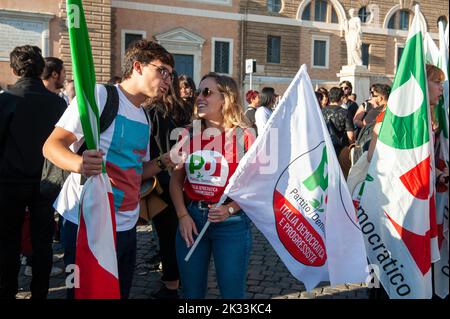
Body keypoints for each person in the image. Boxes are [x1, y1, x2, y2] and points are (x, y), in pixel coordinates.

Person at [42, 39, 176, 299]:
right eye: (162, 71)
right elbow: (51, 146)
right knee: (82, 294)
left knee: (117, 294)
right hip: (86, 222)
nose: (168, 80)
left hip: (126, 226)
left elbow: (136, 172)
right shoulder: (101, 96)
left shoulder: (144, 116)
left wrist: (165, 160)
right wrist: (80, 164)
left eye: (171, 74)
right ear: (137, 66)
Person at [170, 72, 255, 299]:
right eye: (199, 91)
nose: (199, 97)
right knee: (191, 294)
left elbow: (256, 187)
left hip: (232, 224)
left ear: (226, 99)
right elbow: (176, 182)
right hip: (193, 219)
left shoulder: (245, 136)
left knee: (232, 294)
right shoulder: (188, 134)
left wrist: (230, 209)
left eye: (207, 92)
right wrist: (182, 216)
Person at [0, 45, 67, 299]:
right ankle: (40, 293)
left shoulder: (5, 99)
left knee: (7, 242)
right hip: (45, 182)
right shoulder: (57, 103)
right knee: (42, 243)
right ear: (41, 68)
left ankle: (6, 291)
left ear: (15, 69)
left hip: (9, 183)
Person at [146, 70, 193, 299]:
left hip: (162, 180)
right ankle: (185, 277)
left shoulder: (155, 111)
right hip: (182, 179)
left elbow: (153, 149)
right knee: (182, 233)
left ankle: (171, 284)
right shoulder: (186, 110)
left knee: (167, 237)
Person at [322, 87, 355, 178]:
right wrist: (353, 147)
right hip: (340, 149)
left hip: (323, 148)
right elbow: (351, 136)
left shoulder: (321, 111)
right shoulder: (345, 112)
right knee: (341, 176)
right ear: (341, 98)